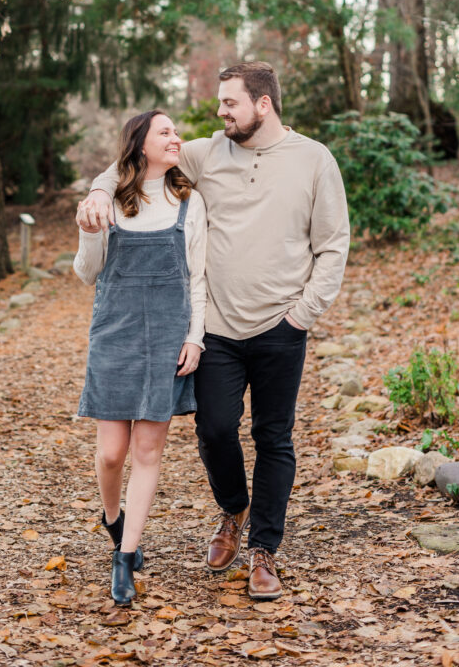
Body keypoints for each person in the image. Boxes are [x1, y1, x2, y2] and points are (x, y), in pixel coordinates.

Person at [77, 62, 350, 601]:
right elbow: (131, 162)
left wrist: (303, 314)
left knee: (274, 439)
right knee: (215, 431)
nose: (219, 112)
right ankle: (233, 508)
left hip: (281, 326)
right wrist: (97, 192)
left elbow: (333, 245)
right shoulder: (204, 152)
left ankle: (264, 551)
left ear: (263, 104)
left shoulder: (314, 160)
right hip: (218, 331)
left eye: (230, 103)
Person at [73, 109, 207, 606]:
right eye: (165, 132)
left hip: (168, 338)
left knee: (148, 452)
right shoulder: (109, 202)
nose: (177, 138)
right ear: (140, 143)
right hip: (114, 334)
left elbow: (199, 279)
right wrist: (89, 230)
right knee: (111, 453)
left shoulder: (188, 203)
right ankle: (113, 518)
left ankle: (125, 558)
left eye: (176, 131)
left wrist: (195, 338)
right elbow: (87, 274)